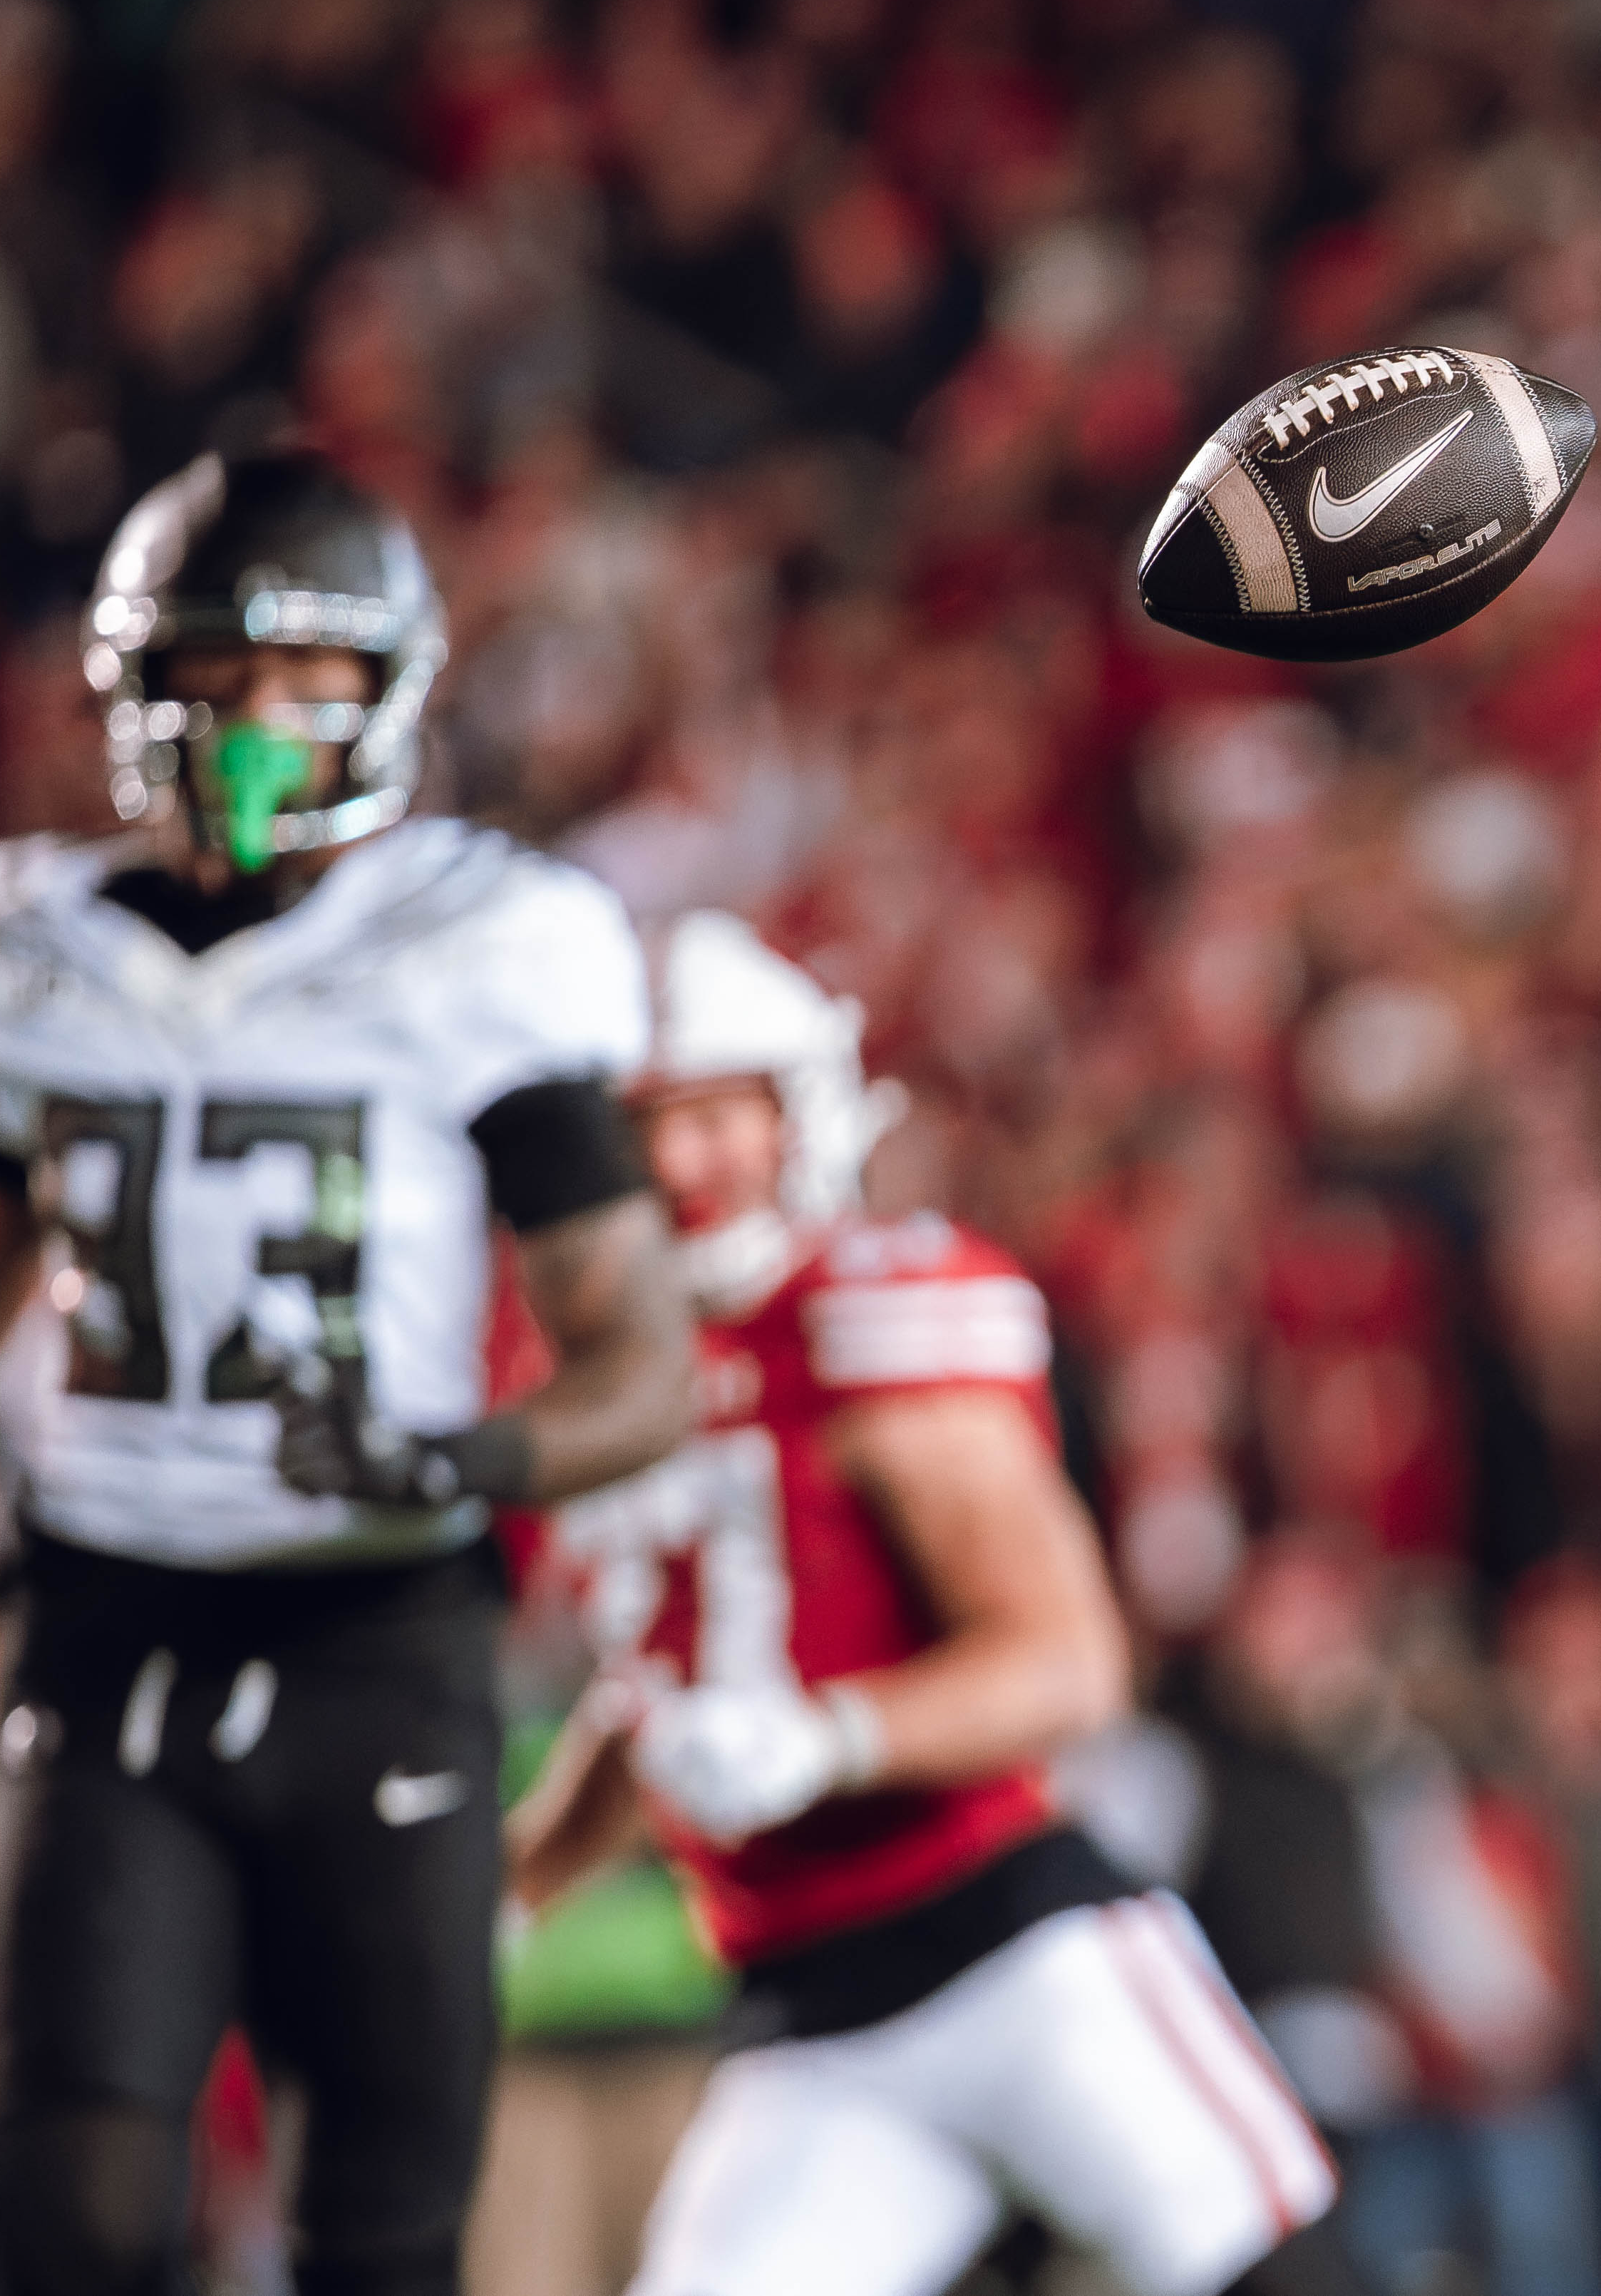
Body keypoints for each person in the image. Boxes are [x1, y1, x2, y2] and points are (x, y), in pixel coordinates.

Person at [0, 446, 698, 2296]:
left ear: (391, 692)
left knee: (376, 2243)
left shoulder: (485, 948)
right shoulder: (22, 946)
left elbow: (643, 1366)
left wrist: (449, 1455)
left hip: (377, 1641)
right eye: (210, 683)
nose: (249, 732)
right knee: (72, 2224)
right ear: (133, 696)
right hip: (105, 1628)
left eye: (301, 688)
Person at [509, 910, 1341, 2296]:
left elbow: (1071, 1665)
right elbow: (654, 1699)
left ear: (800, 1112)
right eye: (642, 1120)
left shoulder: (867, 1314)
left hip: (1007, 1951)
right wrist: (509, 1886)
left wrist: (828, 1737)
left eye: (714, 1114)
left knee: (1267, 2279)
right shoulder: (623, 1377)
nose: (674, 1162)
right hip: (804, 2011)